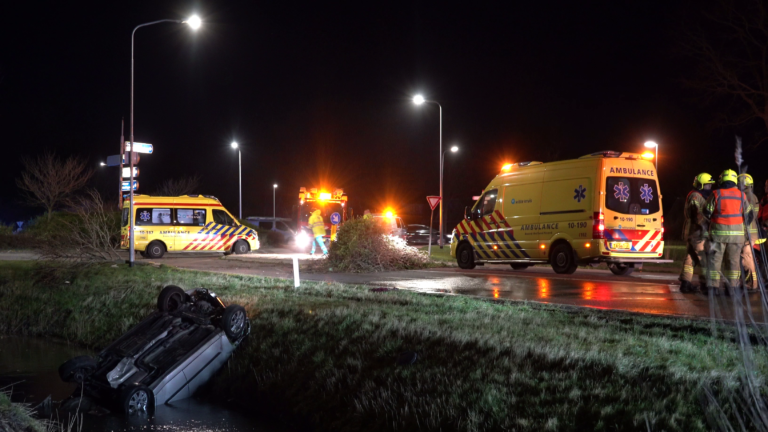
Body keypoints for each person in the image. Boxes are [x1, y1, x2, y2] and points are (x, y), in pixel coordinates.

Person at [703, 169, 754, 295]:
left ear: (722, 180)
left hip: (718, 234)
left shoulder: (716, 193)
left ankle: (713, 289)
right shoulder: (742, 195)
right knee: (734, 262)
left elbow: (706, 212)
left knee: (715, 261)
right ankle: (732, 289)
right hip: (736, 237)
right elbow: (749, 215)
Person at [679, 173, 714, 293]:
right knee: (704, 258)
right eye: (707, 185)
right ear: (701, 185)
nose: (710, 187)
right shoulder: (695, 195)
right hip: (698, 233)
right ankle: (706, 285)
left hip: (693, 232)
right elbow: (696, 213)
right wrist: (706, 224)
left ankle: (685, 283)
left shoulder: (699, 195)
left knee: (690, 258)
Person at [738, 173, 760, 291]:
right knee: (745, 259)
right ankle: (749, 282)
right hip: (747, 233)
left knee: (747, 258)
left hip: (748, 234)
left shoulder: (749, 196)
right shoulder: (748, 195)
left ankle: (753, 284)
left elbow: (750, 216)